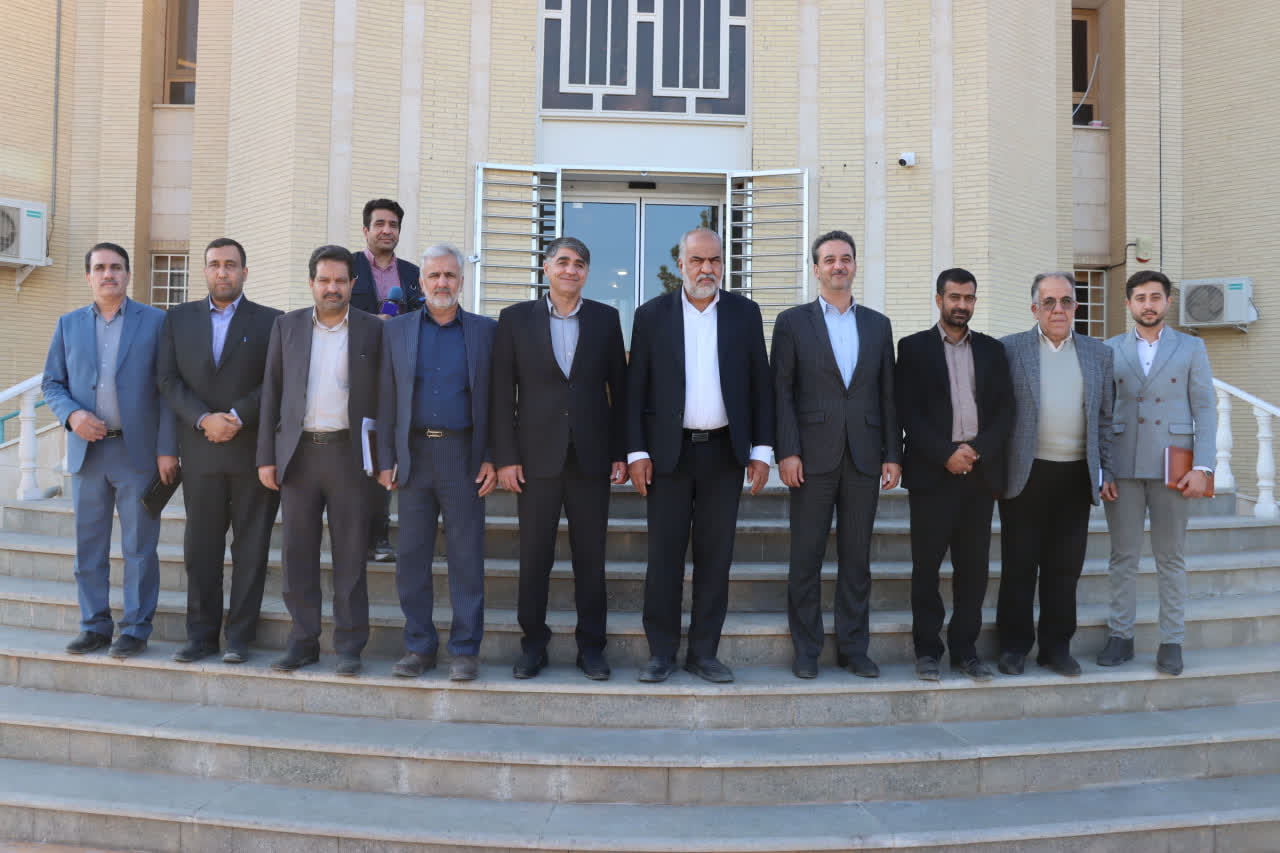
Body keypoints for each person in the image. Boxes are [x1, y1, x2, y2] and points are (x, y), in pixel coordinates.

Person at [627, 227, 774, 684]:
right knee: (664, 559)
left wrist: (762, 450)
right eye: (697, 260)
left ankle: (704, 653)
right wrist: (636, 451)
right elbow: (635, 389)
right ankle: (661, 653)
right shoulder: (651, 315)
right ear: (681, 265)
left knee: (716, 559)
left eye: (714, 261)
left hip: (724, 455)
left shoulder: (745, 314)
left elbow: (761, 385)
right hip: (667, 457)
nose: (706, 269)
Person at [490, 236, 628, 680]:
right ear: (546, 268)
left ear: (587, 273)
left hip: (591, 458)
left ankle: (592, 648)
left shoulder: (606, 319)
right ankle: (533, 645)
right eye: (563, 261)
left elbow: (620, 391)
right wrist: (505, 457)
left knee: (591, 559)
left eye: (579, 263)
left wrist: (621, 451)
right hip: (534, 461)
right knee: (534, 559)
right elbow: (501, 394)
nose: (571, 269)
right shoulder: (514, 319)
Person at [772, 229, 900, 680]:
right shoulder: (792, 322)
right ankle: (807, 649)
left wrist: (893, 453)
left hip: (864, 456)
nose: (838, 266)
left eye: (845, 258)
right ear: (816, 269)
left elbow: (888, 395)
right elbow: (781, 392)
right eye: (829, 260)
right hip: (810, 458)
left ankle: (853, 648)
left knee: (856, 559)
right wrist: (787, 451)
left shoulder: (878, 325)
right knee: (806, 557)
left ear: (855, 266)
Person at [42, 242, 179, 659]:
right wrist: (72, 416)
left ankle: (135, 629)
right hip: (88, 453)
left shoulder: (156, 322)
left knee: (140, 548)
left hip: (137, 454)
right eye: (100, 268)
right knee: (89, 547)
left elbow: (168, 389)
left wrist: (167, 449)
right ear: (88, 276)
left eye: (116, 267)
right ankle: (95, 626)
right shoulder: (68, 325)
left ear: (128, 274)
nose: (108, 274)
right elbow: (52, 383)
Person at [257, 245, 382, 676]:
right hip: (299, 456)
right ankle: (302, 641)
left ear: (352, 284)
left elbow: (386, 396)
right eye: (324, 280)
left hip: (350, 455)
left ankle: (349, 646)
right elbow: (272, 393)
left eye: (340, 281)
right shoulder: (286, 326)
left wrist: (383, 458)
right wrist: (267, 457)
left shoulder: (373, 329)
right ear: (311, 282)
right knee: (298, 554)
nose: (332, 288)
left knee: (351, 555)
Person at [158, 237, 282, 664]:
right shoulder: (178, 319)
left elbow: (276, 381)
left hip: (252, 453)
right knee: (201, 549)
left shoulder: (272, 322)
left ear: (245, 272)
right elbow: (168, 380)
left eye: (231, 264)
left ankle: (240, 638)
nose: (223, 271)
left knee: (251, 549)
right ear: (205, 271)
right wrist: (203, 418)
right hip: (201, 451)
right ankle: (201, 636)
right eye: (215, 264)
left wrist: (236, 415)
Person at [376, 243, 497, 681]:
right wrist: (385, 457)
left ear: (461, 281)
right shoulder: (396, 331)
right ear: (421, 282)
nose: (442, 283)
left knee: (466, 557)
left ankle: (465, 649)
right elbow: (385, 398)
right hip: (413, 457)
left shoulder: (486, 331)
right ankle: (419, 646)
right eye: (434, 276)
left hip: (463, 456)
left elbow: (499, 400)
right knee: (412, 557)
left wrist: (492, 456)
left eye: (449, 275)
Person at [896, 268, 1013, 682]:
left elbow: (1005, 412)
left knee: (973, 570)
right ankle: (927, 650)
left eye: (968, 298)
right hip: (932, 475)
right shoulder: (912, 348)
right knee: (926, 568)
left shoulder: (993, 351)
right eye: (954, 297)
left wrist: (975, 451)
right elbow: (907, 411)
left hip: (979, 476)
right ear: (939, 299)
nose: (962, 305)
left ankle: (966, 650)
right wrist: (946, 453)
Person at [1097, 270, 1215, 676]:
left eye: (1155, 297)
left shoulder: (1192, 347)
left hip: (1175, 466)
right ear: (1128, 303)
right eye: (1140, 298)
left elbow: (1205, 408)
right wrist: (1103, 469)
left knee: (1171, 557)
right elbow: (1102, 412)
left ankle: (1172, 641)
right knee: (1122, 556)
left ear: (1168, 301)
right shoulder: (1109, 348)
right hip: (1123, 465)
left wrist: (1203, 467)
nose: (1148, 305)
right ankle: (1120, 636)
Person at [997, 272, 1114, 677]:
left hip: (1076, 477)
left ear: (1076, 307)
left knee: (1064, 569)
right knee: (1019, 566)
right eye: (1049, 302)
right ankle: (1013, 647)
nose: (1058, 309)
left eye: (1066, 301)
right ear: (1035, 309)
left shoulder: (1099, 354)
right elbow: (996, 414)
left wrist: (1106, 470)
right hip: (1025, 474)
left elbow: (1105, 419)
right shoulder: (1009, 349)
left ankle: (1056, 648)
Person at [351, 198, 422, 564]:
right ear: (366, 230)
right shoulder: (347, 266)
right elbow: (333, 310)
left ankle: (379, 536)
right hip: (353, 373)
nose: (386, 230)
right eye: (379, 224)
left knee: (383, 449)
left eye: (393, 225)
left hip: (397, 374)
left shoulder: (412, 274)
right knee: (355, 453)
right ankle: (353, 534)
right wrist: (371, 323)